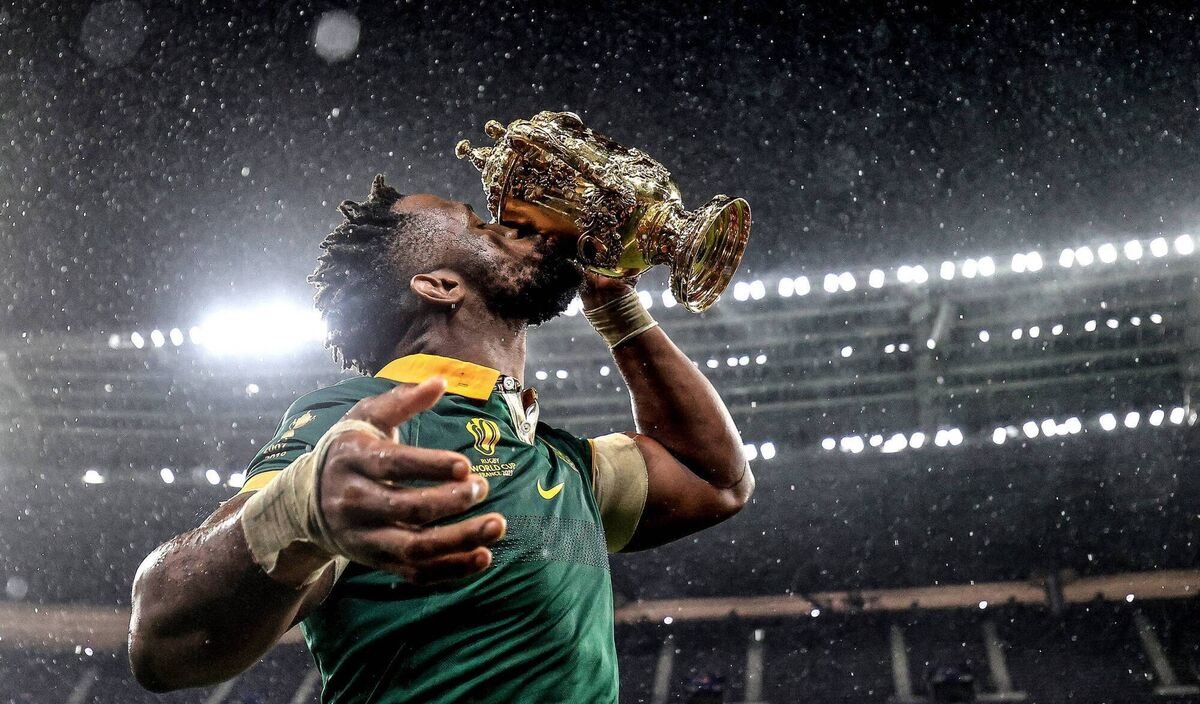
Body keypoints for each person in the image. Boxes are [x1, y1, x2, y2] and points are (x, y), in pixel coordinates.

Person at [127, 175, 754, 703]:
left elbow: (716, 481)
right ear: (440, 285)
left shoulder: (557, 457)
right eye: (478, 224)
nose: (512, 224)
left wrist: (620, 312)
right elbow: (162, 642)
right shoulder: (369, 423)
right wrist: (297, 512)